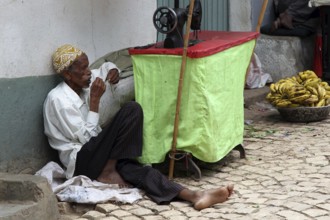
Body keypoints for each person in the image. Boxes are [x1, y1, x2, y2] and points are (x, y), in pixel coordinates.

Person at [43, 44, 234, 210]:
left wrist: (112, 70)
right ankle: (109, 171)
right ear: (67, 74)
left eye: (88, 67)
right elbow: (86, 141)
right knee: (131, 109)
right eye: (83, 69)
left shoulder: (83, 85)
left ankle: (195, 196)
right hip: (81, 162)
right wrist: (94, 102)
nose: (89, 73)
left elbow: (105, 68)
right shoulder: (59, 100)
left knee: (142, 172)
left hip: (100, 158)